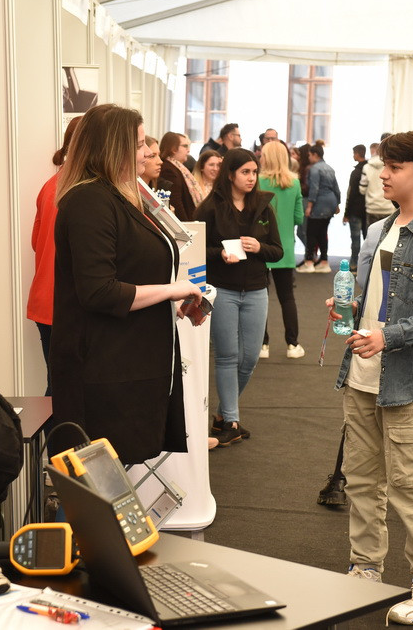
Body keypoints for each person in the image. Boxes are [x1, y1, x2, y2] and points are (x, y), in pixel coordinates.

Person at [330, 130, 413, 625]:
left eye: (393, 167)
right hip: (362, 373)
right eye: (383, 165)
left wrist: (389, 337)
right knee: (362, 480)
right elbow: (383, 299)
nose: (381, 174)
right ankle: (365, 569)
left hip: (406, 380)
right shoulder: (384, 227)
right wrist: (349, 309)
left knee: (410, 486)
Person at [50, 104, 201, 464]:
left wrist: (165, 300)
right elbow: (99, 291)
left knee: (115, 473)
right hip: (103, 367)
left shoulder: (117, 196)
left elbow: (131, 272)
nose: (148, 152)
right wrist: (171, 290)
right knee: (98, 476)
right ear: (112, 149)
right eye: (138, 145)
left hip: (126, 361)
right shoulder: (89, 201)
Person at [194, 148, 283, 446]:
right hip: (223, 290)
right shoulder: (209, 209)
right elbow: (195, 251)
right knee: (227, 356)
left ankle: (222, 416)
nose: (251, 177)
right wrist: (219, 253)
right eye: (245, 172)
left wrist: (259, 247)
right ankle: (231, 420)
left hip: (256, 290)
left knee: (249, 358)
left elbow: (278, 251)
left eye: (254, 172)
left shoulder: (264, 207)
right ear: (230, 175)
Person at [28, 115, 82, 396]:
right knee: (67, 389)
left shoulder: (50, 185)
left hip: (47, 301)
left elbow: (36, 243)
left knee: (58, 384)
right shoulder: (82, 190)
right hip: (68, 303)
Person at [257, 141, 304, 359]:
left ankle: (262, 344)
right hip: (285, 249)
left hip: (261, 248)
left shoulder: (257, 182)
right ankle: (292, 345)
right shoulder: (294, 183)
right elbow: (299, 218)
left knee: (260, 298)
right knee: (287, 298)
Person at [296, 143, 341, 273]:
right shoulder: (329, 168)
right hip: (331, 202)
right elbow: (336, 188)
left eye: (310, 155)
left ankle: (309, 262)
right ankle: (324, 261)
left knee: (311, 233)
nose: (309, 157)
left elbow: (314, 188)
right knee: (322, 232)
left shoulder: (315, 169)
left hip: (319, 203)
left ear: (315, 155)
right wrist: (337, 204)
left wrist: (309, 206)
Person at [158, 132, 204, 221]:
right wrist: (186, 224)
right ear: (173, 149)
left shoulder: (179, 168)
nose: (188, 150)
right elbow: (176, 203)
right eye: (185, 146)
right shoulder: (169, 170)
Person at [342, 144, 368, 263]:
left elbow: (351, 194)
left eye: (354, 153)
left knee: (355, 238)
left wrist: (346, 213)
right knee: (368, 238)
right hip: (367, 209)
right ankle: (367, 263)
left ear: (357, 154)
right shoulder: (370, 170)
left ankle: (354, 262)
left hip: (355, 211)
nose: (353, 156)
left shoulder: (356, 172)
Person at [361, 138, 396, 225]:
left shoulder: (366, 167)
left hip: (372, 208)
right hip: (388, 208)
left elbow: (362, 189)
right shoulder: (391, 167)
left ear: (371, 151)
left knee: (372, 233)